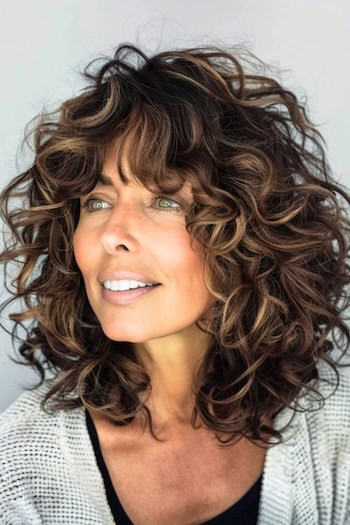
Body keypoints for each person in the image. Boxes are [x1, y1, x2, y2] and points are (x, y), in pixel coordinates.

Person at [1, 42, 350, 525]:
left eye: (165, 201)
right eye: (97, 203)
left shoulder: (336, 430)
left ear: (247, 230)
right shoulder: (17, 466)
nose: (112, 236)